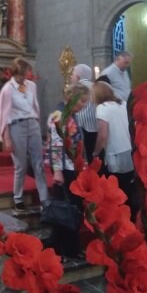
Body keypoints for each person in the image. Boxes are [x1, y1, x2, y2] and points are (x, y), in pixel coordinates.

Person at [0, 58, 49, 212]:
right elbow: (3, 113)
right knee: (21, 165)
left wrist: (37, 121)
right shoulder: (7, 89)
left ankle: (45, 198)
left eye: (25, 74)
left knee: (38, 163)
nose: (23, 77)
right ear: (14, 73)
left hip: (32, 124)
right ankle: (18, 198)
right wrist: (6, 137)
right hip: (16, 126)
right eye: (20, 75)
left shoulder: (31, 85)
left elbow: (35, 106)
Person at [47, 83, 90, 258]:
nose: (84, 105)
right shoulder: (59, 115)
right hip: (65, 169)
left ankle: (71, 248)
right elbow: (56, 145)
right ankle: (62, 249)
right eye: (82, 101)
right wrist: (57, 171)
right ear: (71, 98)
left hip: (74, 167)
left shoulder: (72, 114)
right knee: (66, 210)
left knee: (75, 209)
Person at [92, 81, 136, 217]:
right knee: (130, 189)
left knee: (118, 191)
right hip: (129, 149)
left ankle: (121, 218)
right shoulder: (122, 104)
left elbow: (103, 134)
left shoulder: (102, 108)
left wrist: (96, 152)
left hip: (115, 152)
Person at [70, 64, 98, 162]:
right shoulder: (96, 87)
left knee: (81, 156)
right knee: (93, 156)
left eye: (72, 75)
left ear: (78, 76)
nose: (71, 77)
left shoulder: (77, 88)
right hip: (96, 126)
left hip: (80, 126)